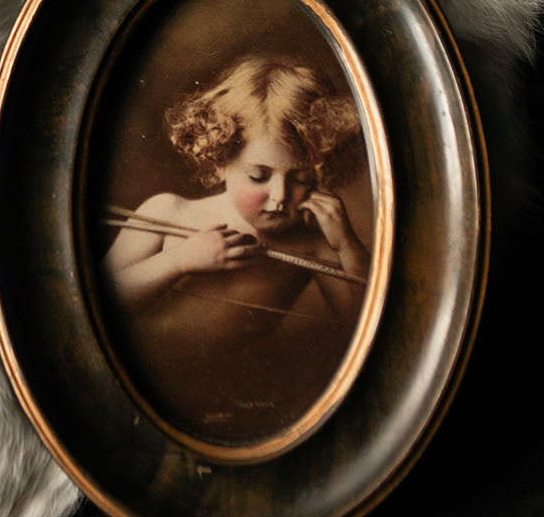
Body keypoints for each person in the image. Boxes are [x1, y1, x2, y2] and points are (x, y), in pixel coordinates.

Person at [100, 57, 371, 441]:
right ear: (221, 158)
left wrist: (347, 244)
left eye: (302, 179)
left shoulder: (312, 244)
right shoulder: (168, 212)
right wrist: (177, 260)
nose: (280, 198)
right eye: (259, 176)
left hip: (222, 390)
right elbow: (98, 298)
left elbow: (363, 325)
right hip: (132, 377)